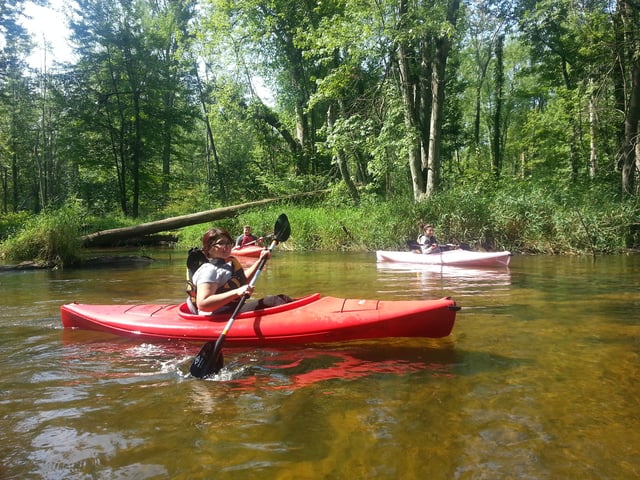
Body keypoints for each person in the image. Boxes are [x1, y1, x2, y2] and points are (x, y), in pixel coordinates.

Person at [189, 227, 291, 315]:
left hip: (232, 309)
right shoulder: (209, 270)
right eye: (221, 243)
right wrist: (237, 292)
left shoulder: (229, 263)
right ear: (208, 249)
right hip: (216, 315)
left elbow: (242, 280)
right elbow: (203, 304)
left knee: (283, 299)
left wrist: (260, 261)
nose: (227, 246)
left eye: (229, 243)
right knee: (275, 301)